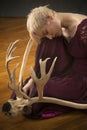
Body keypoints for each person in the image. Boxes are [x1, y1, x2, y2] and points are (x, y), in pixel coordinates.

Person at [14, 5, 87, 119]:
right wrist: (32, 80)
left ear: (49, 17)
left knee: (43, 88)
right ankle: (32, 89)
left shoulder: (84, 29)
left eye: (46, 31)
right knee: (32, 85)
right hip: (71, 72)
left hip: (83, 80)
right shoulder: (60, 28)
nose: (50, 36)